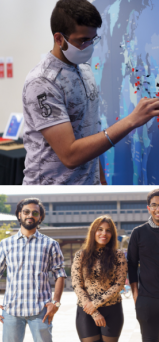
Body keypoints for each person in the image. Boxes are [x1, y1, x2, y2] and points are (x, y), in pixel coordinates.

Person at [22, 0, 159, 185]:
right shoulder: (43, 82)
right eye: (82, 40)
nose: (89, 46)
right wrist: (131, 121)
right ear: (59, 39)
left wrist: (100, 182)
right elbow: (70, 155)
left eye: (92, 39)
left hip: (88, 188)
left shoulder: (84, 70)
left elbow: (89, 135)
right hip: (51, 194)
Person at [0, 198, 66, 342]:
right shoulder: (5, 244)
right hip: (11, 310)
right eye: (26, 212)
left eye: (35, 213)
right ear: (19, 215)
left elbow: (60, 275)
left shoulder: (50, 244)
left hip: (41, 310)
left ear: (40, 217)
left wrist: (56, 303)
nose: (30, 215)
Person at [72, 216, 127, 342]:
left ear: (112, 234)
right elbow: (77, 285)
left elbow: (119, 284)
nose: (104, 233)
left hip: (112, 310)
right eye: (100, 229)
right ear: (93, 232)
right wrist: (94, 312)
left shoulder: (118, 255)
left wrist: (95, 304)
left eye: (108, 230)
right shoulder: (81, 255)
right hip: (86, 311)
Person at [127, 189, 159, 342]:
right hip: (147, 301)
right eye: (154, 205)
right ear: (149, 208)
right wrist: (136, 296)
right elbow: (132, 265)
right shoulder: (138, 233)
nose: (158, 209)